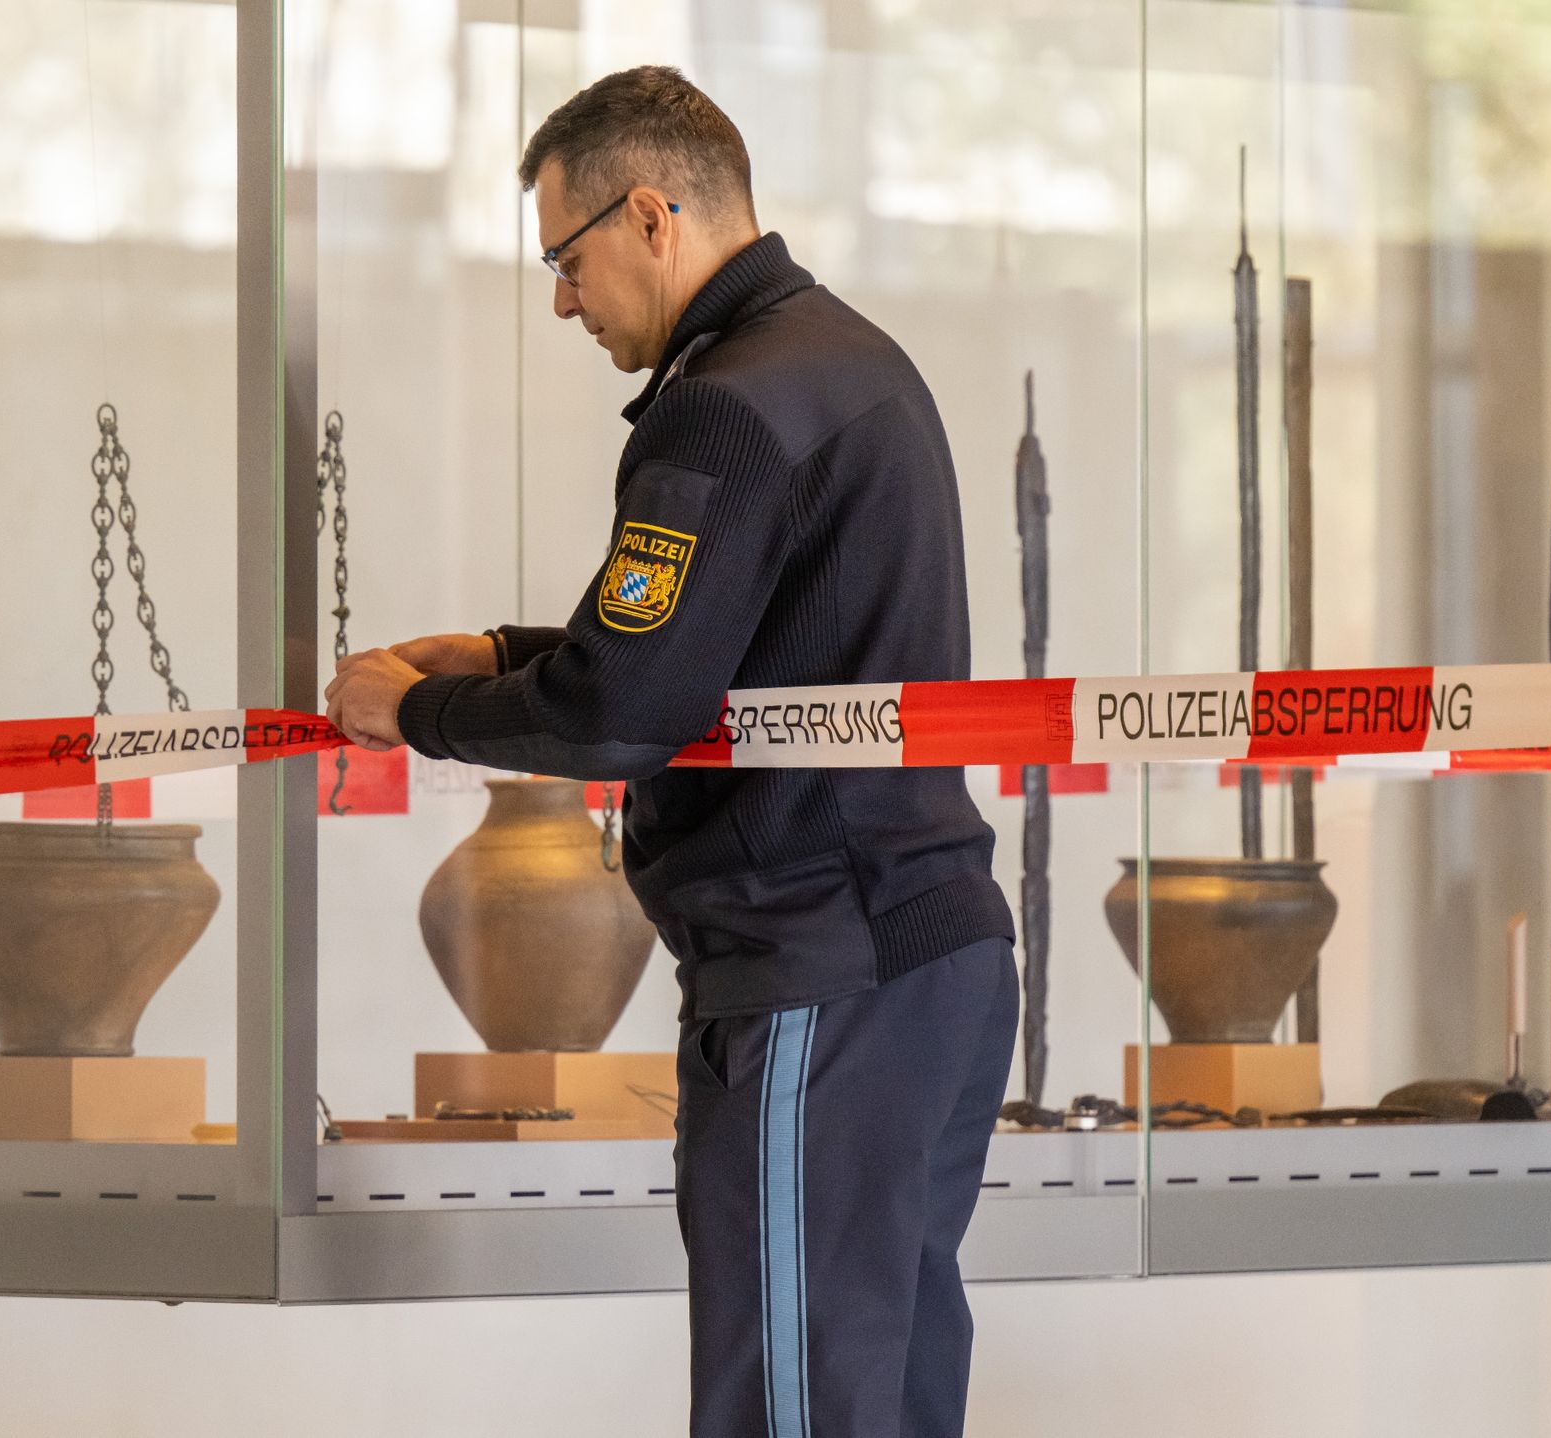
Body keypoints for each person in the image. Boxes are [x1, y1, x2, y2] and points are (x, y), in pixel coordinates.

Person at [325, 65, 1018, 1438]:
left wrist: (409, 713)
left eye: (567, 259)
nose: (563, 301)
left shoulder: (726, 405)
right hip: (928, 957)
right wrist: (508, 650)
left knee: (789, 1403)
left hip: (818, 973)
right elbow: (733, 650)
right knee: (882, 1391)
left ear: (652, 216)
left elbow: (617, 714)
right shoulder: (847, 361)